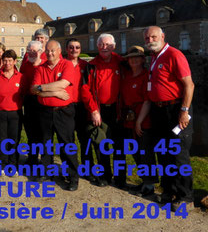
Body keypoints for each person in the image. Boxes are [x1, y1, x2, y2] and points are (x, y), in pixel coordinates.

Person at [144, 26, 195, 211]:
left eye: (154, 36)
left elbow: (189, 85)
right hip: (159, 112)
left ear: (163, 37)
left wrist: (184, 111)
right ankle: (169, 191)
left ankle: (186, 197)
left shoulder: (174, 54)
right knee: (164, 153)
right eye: (147, 37)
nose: (150, 40)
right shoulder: (154, 57)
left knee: (179, 155)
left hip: (175, 110)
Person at [31, 40, 79, 191]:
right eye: (48, 51)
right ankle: (47, 172)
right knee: (45, 143)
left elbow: (63, 84)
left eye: (53, 50)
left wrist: (43, 89)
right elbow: (33, 89)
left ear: (59, 51)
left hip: (63, 111)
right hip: (45, 112)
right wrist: (54, 92)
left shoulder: (66, 65)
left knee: (67, 143)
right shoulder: (41, 68)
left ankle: (72, 176)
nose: (50, 53)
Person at [80, 33, 123, 187]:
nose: (104, 47)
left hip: (117, 110)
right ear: (97, 46)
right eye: (101, 45)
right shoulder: (91, 65)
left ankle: (120, 179)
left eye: (108, 44)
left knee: (119, 145)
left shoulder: (121, 62)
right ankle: (105, 175)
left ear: (114, 46)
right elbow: (85, 90)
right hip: (99, 111)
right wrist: (93, 110)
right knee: (100, 143)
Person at [120, 45, 157, 196]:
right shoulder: (127, 76)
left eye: (137, 57)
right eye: (130, 58)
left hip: (143, 118)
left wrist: (139, 122)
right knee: (135, 151)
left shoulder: (147, 75)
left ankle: (150, 185)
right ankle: (144, 180)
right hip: (130, 117)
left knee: (145, 151)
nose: (133, 60)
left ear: (142, 59)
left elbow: (147, 100)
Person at [0, 50, 23, 172]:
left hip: (15, 113)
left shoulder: (20, 77)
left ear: (15, 61)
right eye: (5, 60)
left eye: (10, 60)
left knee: (14, 139)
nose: (7, 63)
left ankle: (13, 163)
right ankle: (1, 164)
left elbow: (23, 95)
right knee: (0, 139)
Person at [65, 38, 92, 179]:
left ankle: (88, 169)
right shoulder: (62, 64)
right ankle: (70, 169)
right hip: (66, 106)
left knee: (84, 139)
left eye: (77, 47)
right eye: (71, 47)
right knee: (68, 140)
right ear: (66, 49)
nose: (74, 50)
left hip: (81, 106)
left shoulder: (85, 65)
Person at [19, 40, 45, 165]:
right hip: (28, 100)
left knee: (42, 131)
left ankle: (44, 160)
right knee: (30, 131)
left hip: (42, 100)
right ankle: (32, 158)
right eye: (29, 51)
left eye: (34, 51)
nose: (31, 53)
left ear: (40, 51)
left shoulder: (45, 65)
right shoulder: (25, 65)